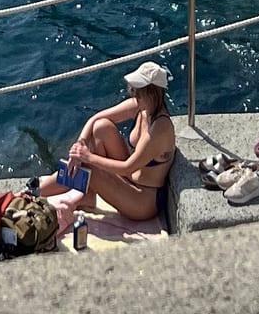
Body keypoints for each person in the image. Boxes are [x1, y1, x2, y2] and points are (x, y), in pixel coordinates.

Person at [38, 59, 176, 221]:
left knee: (88, 168)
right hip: (130, 179)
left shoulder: (160, 129)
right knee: (101, 127)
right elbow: (96, 118)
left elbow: (128, 167)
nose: (134, 93)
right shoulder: (141, 107)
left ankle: (37, 190)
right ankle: (87, 195)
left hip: (144, 200)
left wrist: (87, 157)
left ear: (152, 93)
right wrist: (81, 142)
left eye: (138, 91)